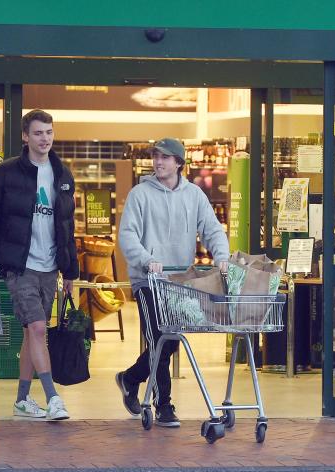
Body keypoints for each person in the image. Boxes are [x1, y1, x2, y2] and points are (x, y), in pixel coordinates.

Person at [115, 137, 230, 427]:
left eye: (165, 157)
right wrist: (145, 259)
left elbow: (212, 229)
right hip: (148, 280)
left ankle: (130, 378)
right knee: (158, 337)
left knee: (172, 341)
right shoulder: (140, 194)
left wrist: (222, 256)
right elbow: (127, 235)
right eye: (155, 156)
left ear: (179, 163)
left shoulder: (194, 195)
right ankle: (163, 405)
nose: (158, 162)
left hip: (179, 281)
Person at [0, 109, 79, 421]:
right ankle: (53, 397)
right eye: (37, 133)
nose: (44, 138)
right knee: (36, 328)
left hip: (50, 267)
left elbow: (67, 227)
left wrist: (71, 271)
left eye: (48, 132)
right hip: (18, 267)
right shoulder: (5, 174)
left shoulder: (63, 174)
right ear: (25, 136)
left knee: (32, 333)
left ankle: (22, 399)